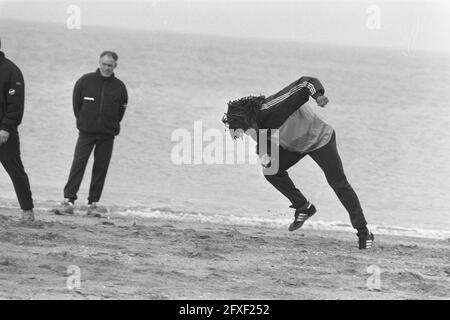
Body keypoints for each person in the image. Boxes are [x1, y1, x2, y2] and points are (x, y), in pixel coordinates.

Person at [222, 76, 374, 249]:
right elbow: (263, 145)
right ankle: (303, 206)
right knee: (270, 171)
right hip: (294, 147)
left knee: (338, 183)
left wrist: (318, 96)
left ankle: (363, 232)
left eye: (249, 128)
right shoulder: (251, 126)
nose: (250, 133)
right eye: (246, 131)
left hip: (320, 139)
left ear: (252, 118)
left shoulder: (273, 105)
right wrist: (264, 156)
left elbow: (306, 82)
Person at [52, 51, 128, 217]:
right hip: (86, 132)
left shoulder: (120, 87)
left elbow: (121, 111)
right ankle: (69, 201)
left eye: (110, 65)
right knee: (78, 164)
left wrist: (110, 124)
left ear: (115, 66)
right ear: (99, 63)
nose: (106, 68)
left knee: (101, 168)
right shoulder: (85, 81)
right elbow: (76, 104)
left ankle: (93, 204)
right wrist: (84, 121)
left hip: (107, 134)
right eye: (104, 64)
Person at [0, 40, 35, 223]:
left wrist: (6, 128)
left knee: (15, 170)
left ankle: (27, 211)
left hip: (4, 133)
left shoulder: (11, 71)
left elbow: (15, 104)